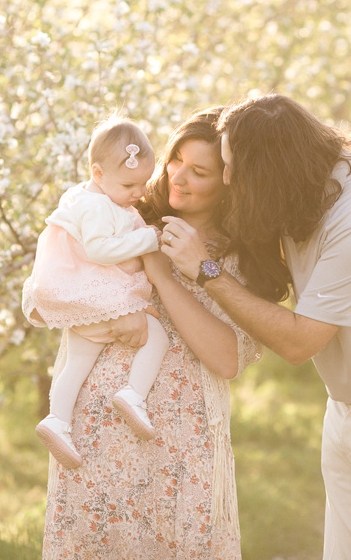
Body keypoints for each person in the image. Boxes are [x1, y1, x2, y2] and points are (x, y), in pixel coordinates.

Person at [159, 91, 351, 560]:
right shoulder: (302, 186)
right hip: (350, 410)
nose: (227, 179)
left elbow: (298, 341)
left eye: (232, 169)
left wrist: (205, 270)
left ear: (269, 172)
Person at [38, 111, 262, 560]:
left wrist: (164, 275)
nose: (177, 176)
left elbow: (226, 359)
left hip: (181, 442)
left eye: (198, 171)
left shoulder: (239, 257)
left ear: (231, 181)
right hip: (96, 432)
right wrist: (104, 320)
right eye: (176, 159)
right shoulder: (123, 213)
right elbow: (61, 286)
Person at [23, 119, 167, 469]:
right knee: (157, 335)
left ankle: (57, 419)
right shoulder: (99, 206)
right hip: (98, 295)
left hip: (80, 300)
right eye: (130, 184)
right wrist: (149, 237)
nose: (139, 193)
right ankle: (133, 395)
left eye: (143, 184)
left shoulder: (80, 196)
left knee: (78, 362)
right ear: (98, 172)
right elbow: (102, 251)